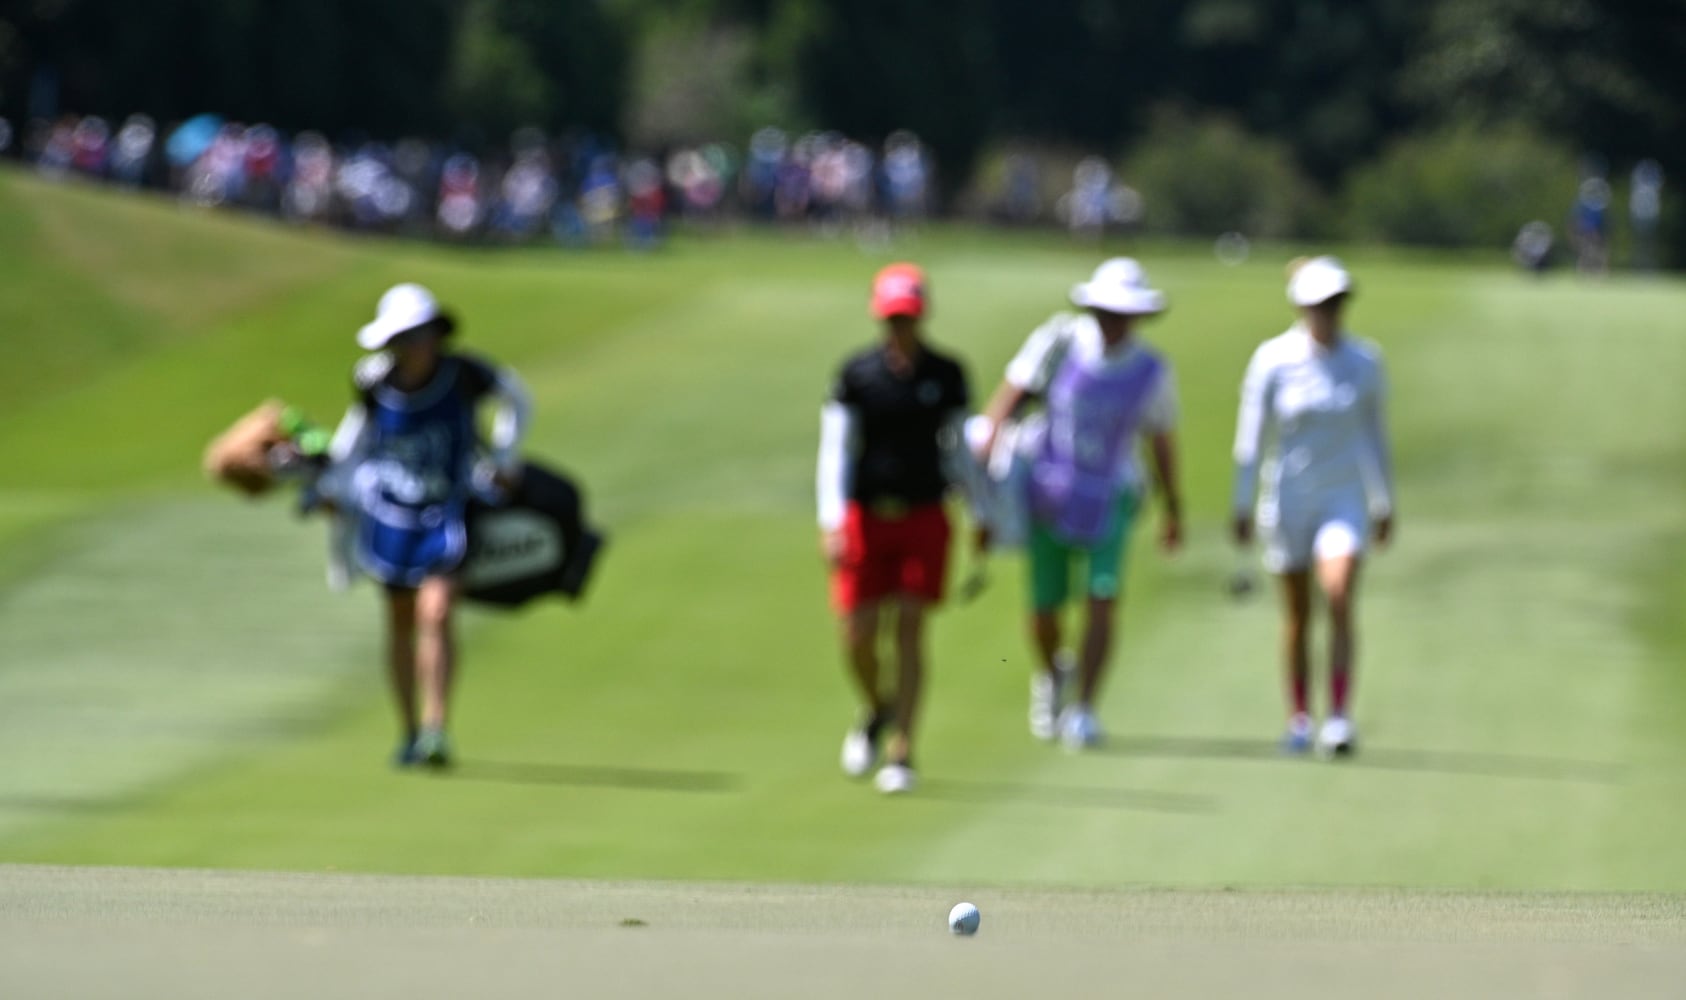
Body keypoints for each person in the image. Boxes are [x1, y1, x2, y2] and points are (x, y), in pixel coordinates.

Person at [972, 258, 1182, 750]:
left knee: (1102, 596)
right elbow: (1011, 396)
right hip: (1047, 488)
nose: (1115, 322)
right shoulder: (1060, 341)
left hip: (1113, 494)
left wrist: (1174, 507)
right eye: (1107, 311)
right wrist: (985, 454)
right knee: (1045, 609)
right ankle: (1052, 674)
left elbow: (1161, 441)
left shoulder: (1152, 370)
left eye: (1124, 313)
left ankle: (1085, 708)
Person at [325, 284, 531, 768]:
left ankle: (437, 728)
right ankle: (409, 732)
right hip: (390, 513)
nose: (412, 347)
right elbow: (355, 439)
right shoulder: (373, 380)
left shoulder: (465, 375)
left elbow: (518, 399)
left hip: (448, 510)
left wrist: (505, 457)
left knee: (435, 613)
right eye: (402, 338)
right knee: (399, 619)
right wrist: (333, 486)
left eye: (418, 335)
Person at [817, 263, 989, 795]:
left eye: (908, 319)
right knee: (857, 633)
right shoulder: (857, 374)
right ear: (879, 317)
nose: (900, 329)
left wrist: (983, 512)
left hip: (926, 515)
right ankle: (878, 708)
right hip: (866, 515)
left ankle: (903, 750)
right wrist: (830, 519)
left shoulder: (947, 373)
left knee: (911, 628)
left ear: (921, 317)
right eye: (892, 319)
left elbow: (960, 451)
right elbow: (836, 451)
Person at [1231, 256, 1394, 757]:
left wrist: (1383, 500)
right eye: (1320, 304)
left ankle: (1340, 716)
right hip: (1288, 499)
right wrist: (1241, 502)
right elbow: (1252, 436)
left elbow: (1374, 435)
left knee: (1339, 593)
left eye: (1335, 304)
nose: (1328, 313)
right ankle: (1299, 717)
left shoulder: (1365, 361)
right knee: (1298, 615)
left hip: (1343, 498)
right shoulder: (1273, 359)